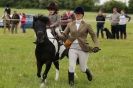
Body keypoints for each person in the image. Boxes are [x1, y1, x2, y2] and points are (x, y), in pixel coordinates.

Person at [60, 7, 100, 86]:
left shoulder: (87, 25)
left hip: (83, 48)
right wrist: (58, 34)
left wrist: (96, 45)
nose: (77, 15)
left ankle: (88, 72)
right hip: (72, 48)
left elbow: (93, 35)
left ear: (82, 15)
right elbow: (64, 35)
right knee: (71, 66)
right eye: (76, 13)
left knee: (83, 68)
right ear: (74, 14)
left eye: (79, 14)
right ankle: (71, 84)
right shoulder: (70, 24)